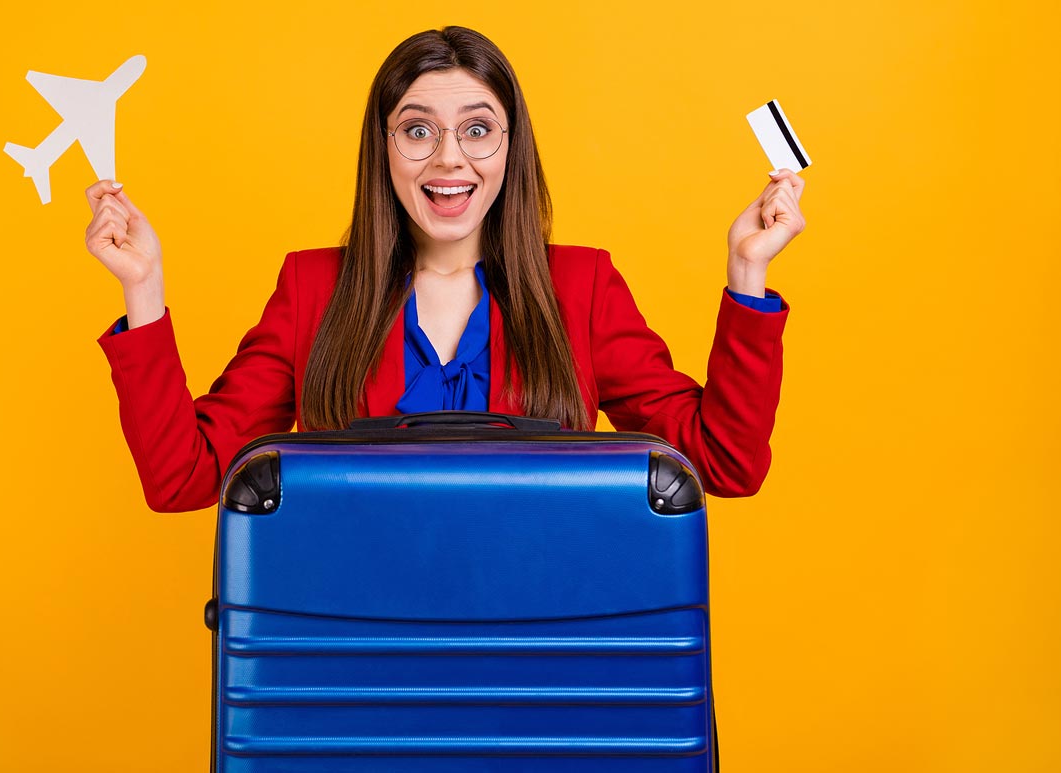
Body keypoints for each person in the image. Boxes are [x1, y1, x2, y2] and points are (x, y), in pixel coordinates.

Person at [87, 26, 805, 513]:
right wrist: (142, 286)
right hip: (360, 654)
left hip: (537, 652)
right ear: (385, 147)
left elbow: (724, 462)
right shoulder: (313, 290)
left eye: (478, 128)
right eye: (418, 129)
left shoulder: (580, 289)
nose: (449, 159)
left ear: (510, 147)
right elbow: (182, 477)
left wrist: (748, 271)